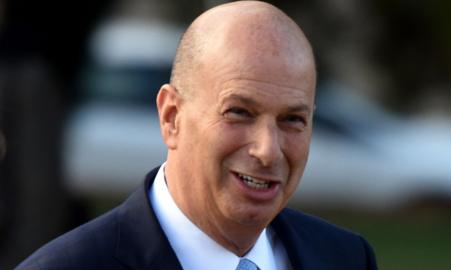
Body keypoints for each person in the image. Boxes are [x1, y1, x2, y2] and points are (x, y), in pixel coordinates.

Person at [16, 1, 377, 269]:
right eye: (239, 112)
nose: (268, 150)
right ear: (172, 117)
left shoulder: (346, 258)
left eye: (292, 119)